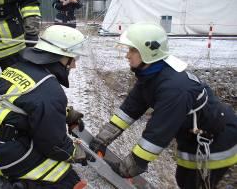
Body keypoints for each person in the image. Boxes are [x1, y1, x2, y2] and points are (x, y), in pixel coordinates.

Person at [89, 22, 237, 189]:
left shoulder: (174, 89)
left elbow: (157, 134)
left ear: (148, 53)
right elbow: (129, 110)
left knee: (194, 184)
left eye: (132, 50)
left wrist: (130, 166)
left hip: (216, 141)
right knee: (184, 181)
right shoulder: (151, 76)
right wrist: (102, 138)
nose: (127, 56)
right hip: (192, 138)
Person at [0, 25, 90, 189]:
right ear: (60, 57)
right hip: (2, 153)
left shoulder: (18, 68)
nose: (74, 65)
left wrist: (65, 113)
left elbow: (26, 104)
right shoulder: (50, 91)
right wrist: (75, 152)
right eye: (73, 58)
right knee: (67, 179)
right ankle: (10, 185)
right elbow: (54, 146)